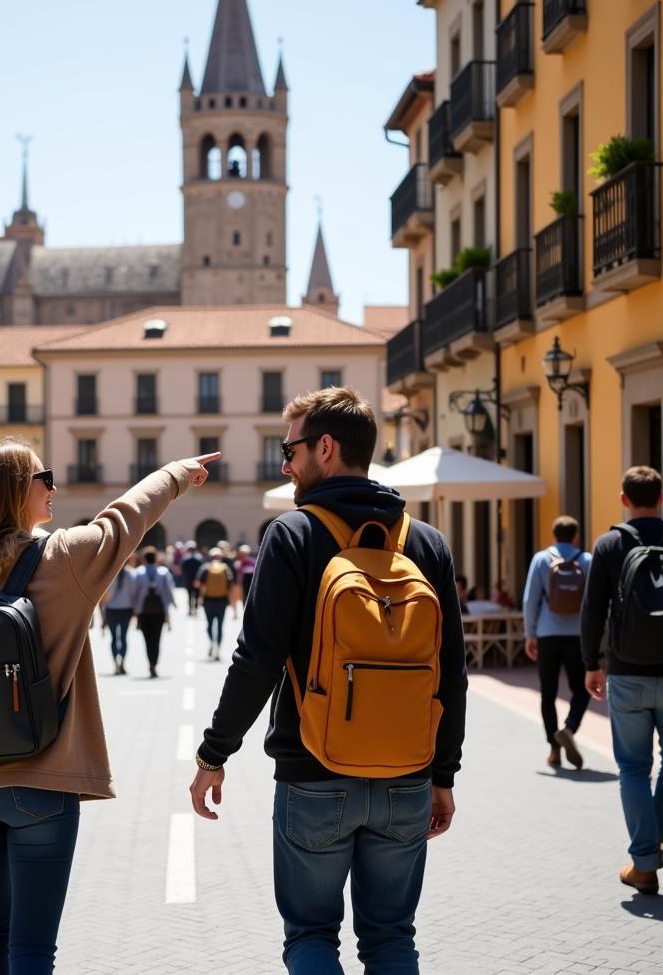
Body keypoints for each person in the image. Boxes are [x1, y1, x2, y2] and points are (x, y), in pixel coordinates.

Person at [0, 440, 219, 974]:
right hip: (42, 784)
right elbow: (127, 516)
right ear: (19, 490)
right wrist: (177, 473)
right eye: (45, 477)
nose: (54, 487)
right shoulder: (64, 559)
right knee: (32, 947)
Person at [189, 387, 467, 973]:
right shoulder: (426, 543)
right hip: (407, 775)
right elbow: (451, 673)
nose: (285, 465)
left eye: (289, 451)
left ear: (326, 447)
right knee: (392, 938)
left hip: (314, 769)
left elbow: (257, 659)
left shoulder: (292, 535)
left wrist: (215, 754)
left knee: (311, 936)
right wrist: (443, 773)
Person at [581, 465, 663, 895]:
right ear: (661, 497)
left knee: (633, 767)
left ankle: (644, 864)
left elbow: (593, 608)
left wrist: (591, 663)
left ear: (624, 499)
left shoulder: (610, 544)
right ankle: (657, 835)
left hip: (627, 671)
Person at [522, 516, 592, 768]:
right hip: (578, 636)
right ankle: (570, 729)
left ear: (553, 535)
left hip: (547, 633)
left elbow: (531, 600)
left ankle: (554, 750)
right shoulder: (586, 560)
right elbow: (594, 603)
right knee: (582, 688)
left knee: (548, 693)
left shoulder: (541, 559)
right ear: (575, 536)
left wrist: (530, 634)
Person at [133, 547, 176, 679]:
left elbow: (134, 592)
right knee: (156, 639)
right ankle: (154, 663)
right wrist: (173, 604)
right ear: (156, 558)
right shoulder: (163, 572)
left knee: (147, 640)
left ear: (144, 559)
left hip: (143, 611)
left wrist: (134, 610)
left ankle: (150, 663)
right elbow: (169, 590)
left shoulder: (138, 573)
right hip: (159, 610)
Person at [195, 547, 233, 660]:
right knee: (220, 625)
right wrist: (230, 599)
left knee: (209, 624)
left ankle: (212, 642)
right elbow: (230, 583)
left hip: (208, 600)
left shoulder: (205, 568)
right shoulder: (225, 568)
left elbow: (199, 584)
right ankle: (218, 649)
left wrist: (200, 599)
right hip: (222, 600)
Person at [102, 555, 137, 674]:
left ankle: (115, 663)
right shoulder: (131, 574)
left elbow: (104, 596)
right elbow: (134, 594)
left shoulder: (109, 575)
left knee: (113, 638)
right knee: (123, 636)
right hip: (126, 609)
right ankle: (122, 662)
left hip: (111, 609)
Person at [180, 541, 203, 616]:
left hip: (188, 580)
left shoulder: (185, 558)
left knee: (189, 595)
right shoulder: (199, 557)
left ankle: (190, 609)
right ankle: (195, 609)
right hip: (196, 579)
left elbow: (183, 570)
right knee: (196, 595)